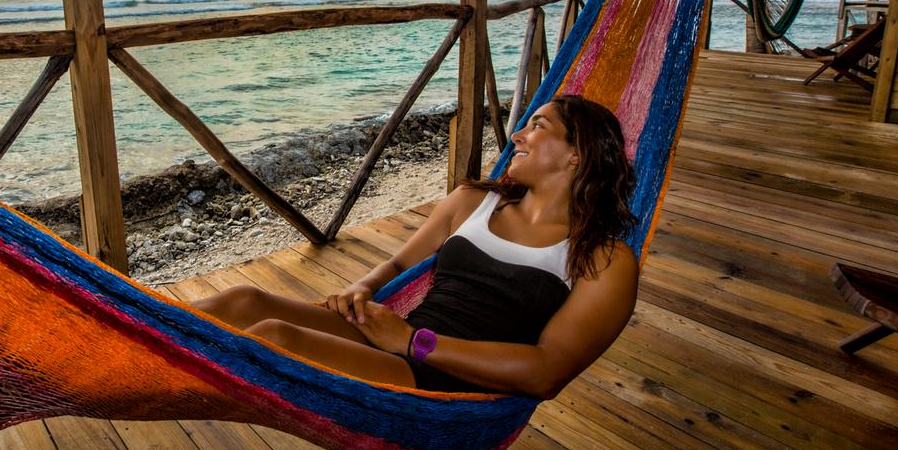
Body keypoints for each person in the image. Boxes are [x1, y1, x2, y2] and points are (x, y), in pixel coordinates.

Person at [192, 94, 640, 397]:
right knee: (243, 300)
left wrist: (413, 341)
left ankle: (153, 382)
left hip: (435, 380)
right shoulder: (472, 203)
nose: (516, 136)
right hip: (395, 340)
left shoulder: (604, 259)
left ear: (576, 154)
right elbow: (400, 263)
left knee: (275, 339)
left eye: (537, 126)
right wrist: (362, 289)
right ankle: (135, 347)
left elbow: (546, 371)